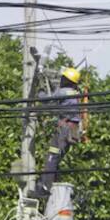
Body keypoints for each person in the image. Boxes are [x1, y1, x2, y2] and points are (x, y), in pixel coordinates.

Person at [34, 66, 84, 201]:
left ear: (66, 80)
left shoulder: (64, 92)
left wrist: (39, 93)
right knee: (56, 158)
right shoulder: (74, 93)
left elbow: (47, 99)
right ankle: (50, 184)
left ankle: (45, 187)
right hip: (71, 130)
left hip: (64, 130)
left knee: (52, 157)